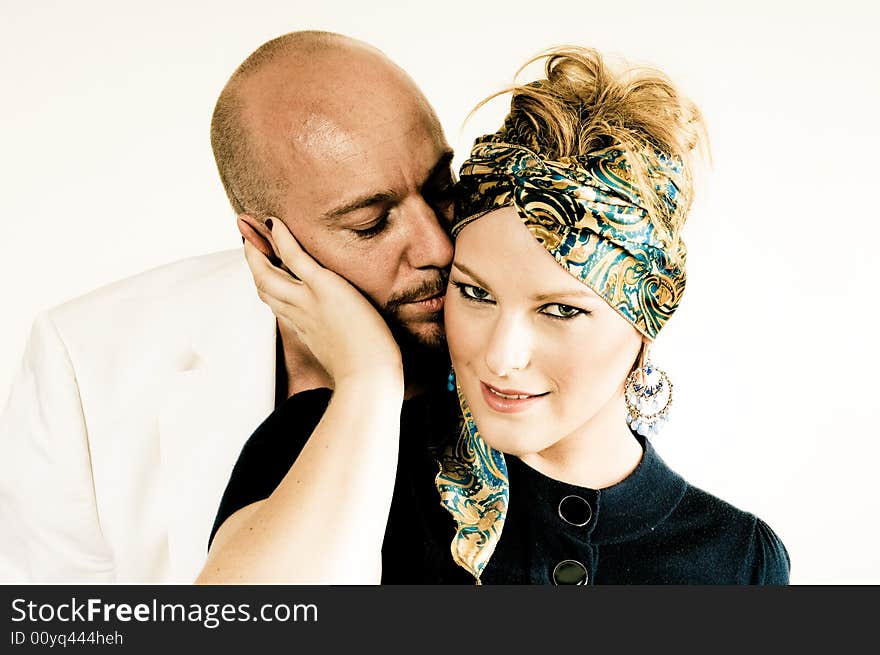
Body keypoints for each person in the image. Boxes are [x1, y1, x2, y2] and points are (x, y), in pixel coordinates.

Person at [204, 46, 790, 584]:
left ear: (647, 315)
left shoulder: (738, 560)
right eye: (476, 294)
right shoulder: (324, 445)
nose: (501, 356)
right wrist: (368, 377)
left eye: (560, 309)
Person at [0, 31, 455, 583]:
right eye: (369, 224)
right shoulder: (86, 363)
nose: (439, 247)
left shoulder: (552, 324)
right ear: (264, 245)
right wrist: (370, 378)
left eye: (440, 188)